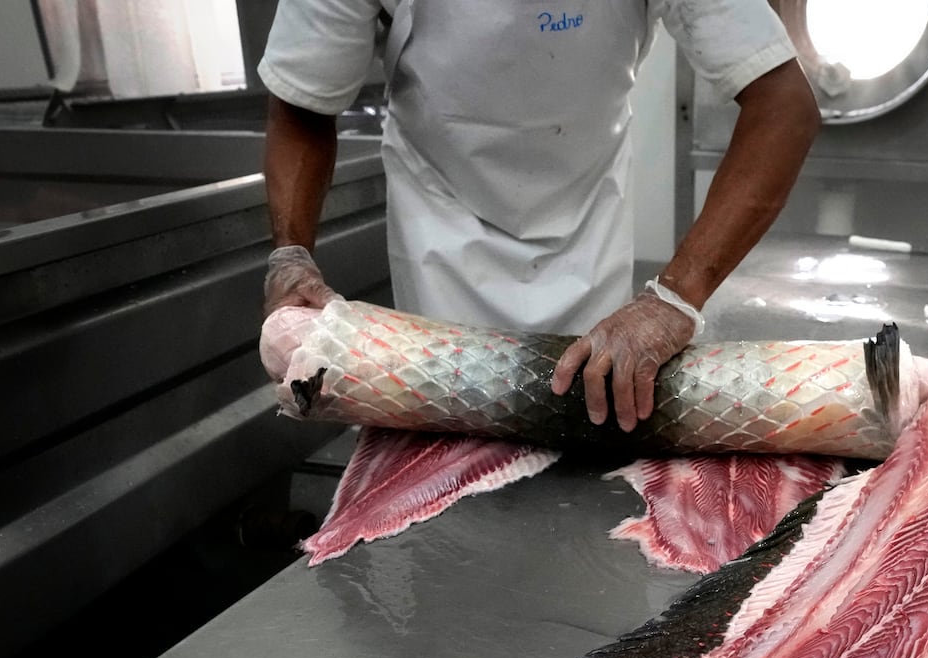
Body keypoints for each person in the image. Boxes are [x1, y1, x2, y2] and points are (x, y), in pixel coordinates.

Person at [258, 0, 819, 432]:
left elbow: (783, 104)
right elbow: (304, 101)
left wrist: (674, 300)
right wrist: (291, 254)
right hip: (441, 220)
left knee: (594, 428)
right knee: (445, 447)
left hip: (586, 218)